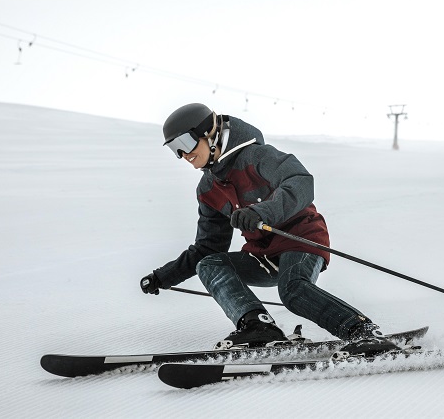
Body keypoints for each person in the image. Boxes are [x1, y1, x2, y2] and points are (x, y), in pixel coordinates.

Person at [140, 103, 398, 357]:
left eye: (185, 144)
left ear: (211, 133)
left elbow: (301, 181)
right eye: (175, 149)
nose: (184, 155)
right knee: (210, 264)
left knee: (292, 289)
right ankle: (258, 326)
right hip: (262, 254)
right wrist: (164, 277)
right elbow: (208, 247)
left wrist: (261, 213)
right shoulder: (208, 189)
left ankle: (362, 332)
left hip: (301, 239)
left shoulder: (257, 157)